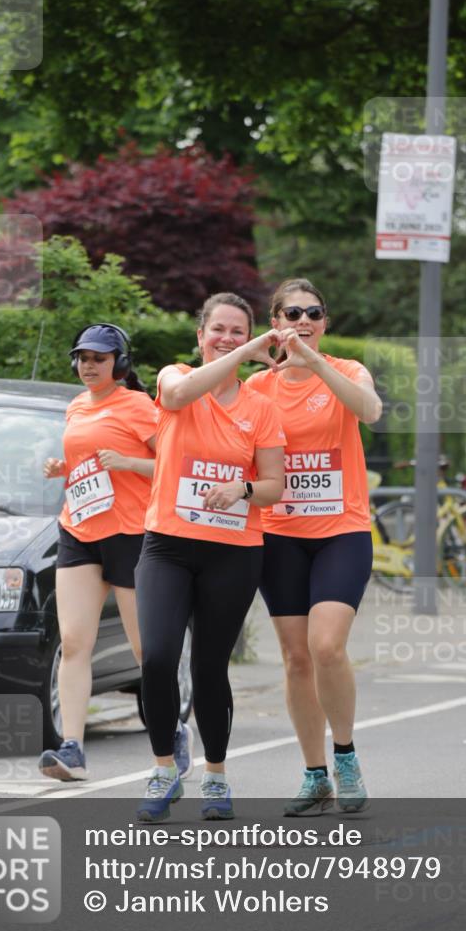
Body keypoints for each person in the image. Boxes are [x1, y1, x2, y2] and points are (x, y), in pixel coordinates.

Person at [135, 293, 286, 822]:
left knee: (209, 667)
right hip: (168, 547)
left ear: (247, 339)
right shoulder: (174, 376)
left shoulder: (261, 408)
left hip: (232, 552)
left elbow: (274, 487)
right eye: (217, 329)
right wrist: (242, 355)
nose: (226, 337)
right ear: (200, 336)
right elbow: (179, 397)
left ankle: (216, 775)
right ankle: (162, 767)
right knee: (156, 658)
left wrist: (241, 490)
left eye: (237, 331)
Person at [246, 279, 383, 815]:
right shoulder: (259, 389)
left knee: (327, 646)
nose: (304, 320)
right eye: (292, 313)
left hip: (340, 531)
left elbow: (369, 411)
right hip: (279, 534)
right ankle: (314, 773)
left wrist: (314, 362)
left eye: (314, 312)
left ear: (324, 322)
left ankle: (345, 756)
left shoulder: (346, 371)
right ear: (275, 322)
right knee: (296, 658)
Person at [38, 323, 194, 781]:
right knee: (74, 642)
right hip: (80, 529)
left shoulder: (139, 406)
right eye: (83, 357)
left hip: (130, 534)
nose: (89, 365)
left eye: (99, 358)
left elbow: (172, 465)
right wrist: (63, 468)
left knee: (148, 649)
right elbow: (88, 464)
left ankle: (173, 733)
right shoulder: (75, 405)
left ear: (120, 364)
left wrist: (127, 463)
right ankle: (72, 749)